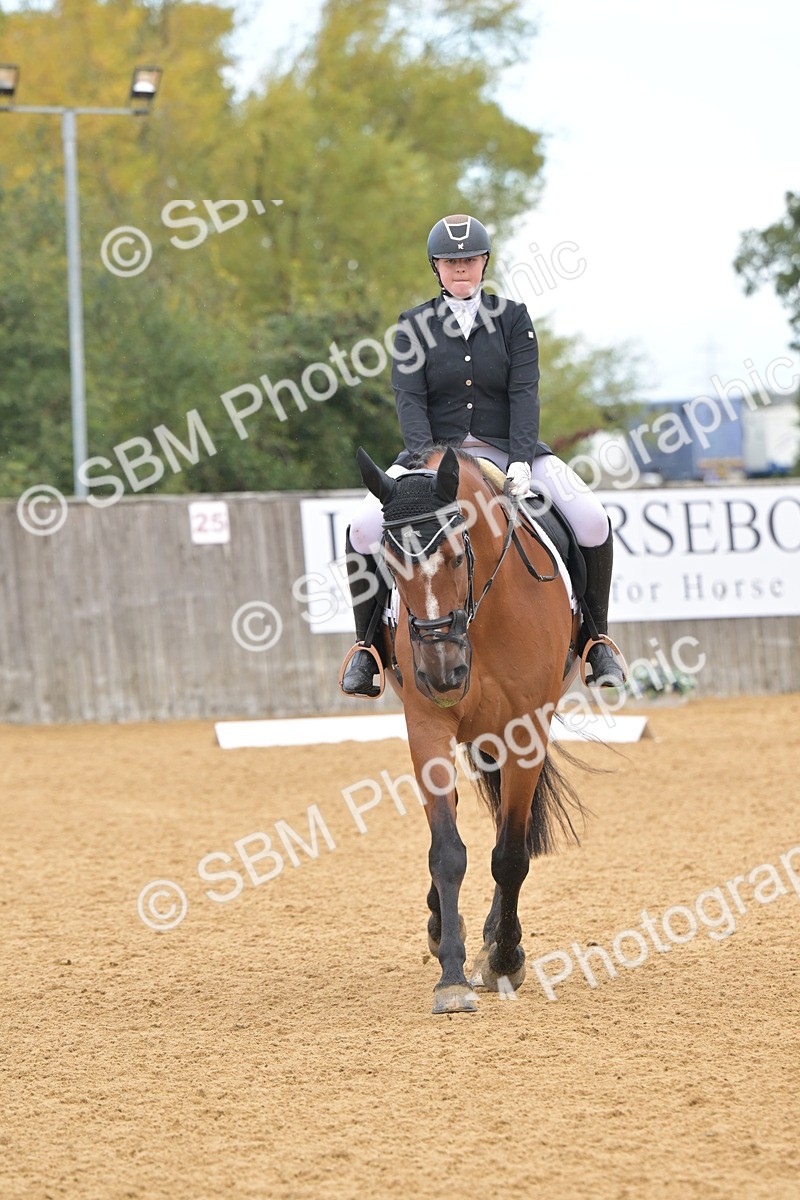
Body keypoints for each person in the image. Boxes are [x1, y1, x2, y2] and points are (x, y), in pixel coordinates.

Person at [340, 212, 626, 696]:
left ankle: (596, 639)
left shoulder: (513, 318)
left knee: (593, 518)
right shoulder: (413, 325)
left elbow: (524, 394)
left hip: (512, 450)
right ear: (436, 266)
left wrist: (518, 460)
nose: (460, 269)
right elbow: (409, 400)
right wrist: (426, 465)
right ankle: (367, 648)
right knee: (363, 529)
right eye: (450, 262)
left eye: (469, 260)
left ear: (484, 262)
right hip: (432, 457)